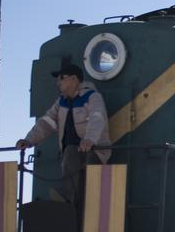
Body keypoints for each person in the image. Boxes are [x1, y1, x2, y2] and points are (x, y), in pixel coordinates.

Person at [16, 62, 111, 204]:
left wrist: (90, 140)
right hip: (73, 154)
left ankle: (69, 200)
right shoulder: (61, 103)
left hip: (93, 150)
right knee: (70, 153)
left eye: (61, 78)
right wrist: (29, 140)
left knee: (71, 152)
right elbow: (46, 123)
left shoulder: (92, 97)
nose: (58, 82)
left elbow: (97, 118)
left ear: (73, 79)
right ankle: (72, 203)